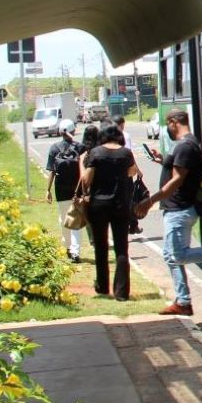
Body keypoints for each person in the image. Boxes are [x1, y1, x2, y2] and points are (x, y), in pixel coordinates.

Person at [135, 109, 202, 316]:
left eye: (167, 124)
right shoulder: (190, 144)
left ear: (174, 122)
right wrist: (162, 159)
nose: (167, 129)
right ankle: (183, 301)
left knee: (177, 255)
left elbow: (176, 180)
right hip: (177, 208)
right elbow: (180, 170)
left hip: (179, 208)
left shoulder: (184, 146)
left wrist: (150, 200)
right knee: (170, 256)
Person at [80, 123, 140, 301]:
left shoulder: (96, 153)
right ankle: (122, 292)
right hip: (121, 204)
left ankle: (102, 286)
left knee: (101, 245)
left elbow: (87, 180)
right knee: (122, 248)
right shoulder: (125, 153)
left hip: (99, 204)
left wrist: (83, 168)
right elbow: (133, 172)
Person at [44, 118, 83, 262]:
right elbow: (85, 171)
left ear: (60, 132)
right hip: (77, 190)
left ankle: (68, 247)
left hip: (61, 190)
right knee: (76, 220)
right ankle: (75, 251)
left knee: (64, 219)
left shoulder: (54, 148)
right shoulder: (79, 147)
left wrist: (48, 190)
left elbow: (52, 171)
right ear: (73, 131)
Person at [115, 114, 142, 235]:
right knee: (130, 199)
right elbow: (129, 155)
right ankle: (133, 225)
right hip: (127, 173)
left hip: (114, 174)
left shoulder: (107, 137)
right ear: (122, 125)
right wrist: (138, 170)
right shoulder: (125, 136)